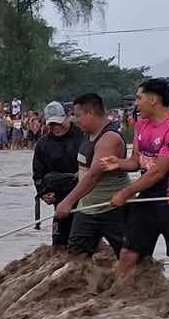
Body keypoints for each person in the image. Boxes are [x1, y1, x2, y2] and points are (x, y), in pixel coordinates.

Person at [104, 77, 169, 284]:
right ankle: (113, 298)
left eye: (139, 97)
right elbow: (137, 161)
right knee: (127, 256)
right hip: (146, 202)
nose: (136, 103)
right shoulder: (141, 124)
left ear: (153, 100)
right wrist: (118, 163)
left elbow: (158, 172)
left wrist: (125, 193)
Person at [54, 92, 129, 262]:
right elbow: (84, 171)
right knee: (75, 259)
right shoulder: (87, 134)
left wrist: (68, 201)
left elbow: (93, 176)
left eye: (78, 115)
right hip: (87, 210)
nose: (76, 120)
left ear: (91, 114)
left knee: (130, 261)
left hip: (113, 208)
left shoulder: (110, 138)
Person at [32, 100, 85, 249]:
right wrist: (43, 193)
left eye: (59, 123)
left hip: (86, 198)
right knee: (59, 247)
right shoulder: (43, 144)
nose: (56, 127)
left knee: (89, 244)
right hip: (60, 201)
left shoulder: (84, 135)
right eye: (52, 124)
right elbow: (38, 174)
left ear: (68, 116)